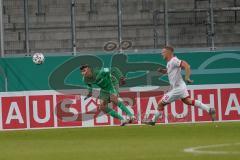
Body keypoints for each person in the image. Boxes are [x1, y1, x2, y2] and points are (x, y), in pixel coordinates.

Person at [143, 46, 216, 126]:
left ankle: (153, 121)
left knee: (160, 103)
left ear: (169, 52)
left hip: (178, 88)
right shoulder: (169, 63)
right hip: (181, 86)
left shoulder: (174, 60)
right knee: (187, 101)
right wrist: (163, 71)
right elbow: (170, 71)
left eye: (163, 52)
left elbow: (186, 65)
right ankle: (209, 109)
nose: (162, 54)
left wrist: (187, 77)